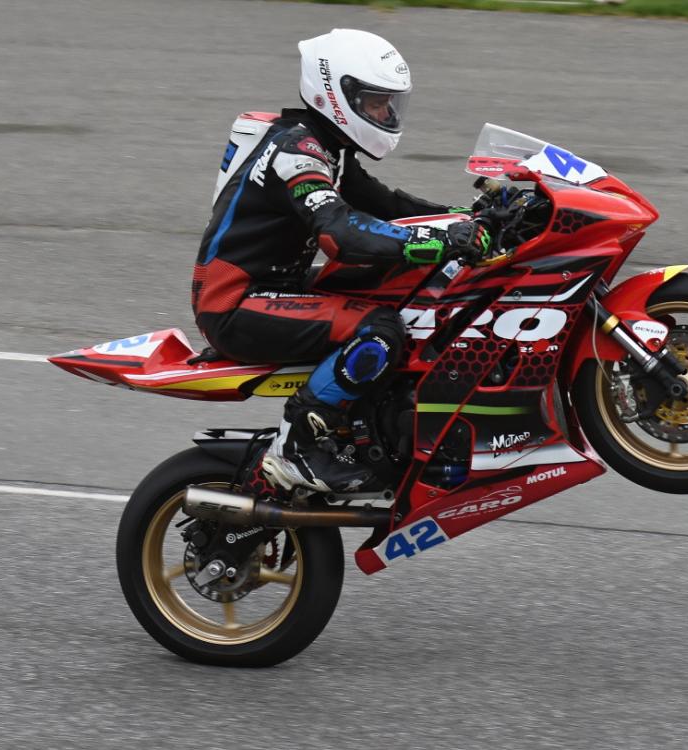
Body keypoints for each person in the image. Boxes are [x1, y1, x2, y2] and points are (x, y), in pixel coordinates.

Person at [191, 29, 489, 494]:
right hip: (234, 303)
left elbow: (390, 206)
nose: (386, 114)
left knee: (395, 286)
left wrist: (471, 217)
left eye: (389, 103)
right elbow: (341, 234)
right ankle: (297, 445)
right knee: (380, 330)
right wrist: (437, 241)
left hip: (276, 285)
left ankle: (365, 428)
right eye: (376, 103)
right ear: (335, 95)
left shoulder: (327, 148)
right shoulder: (297, 153)